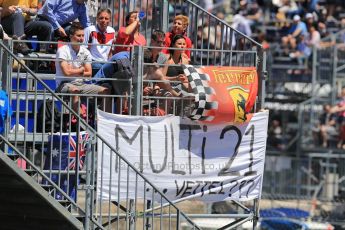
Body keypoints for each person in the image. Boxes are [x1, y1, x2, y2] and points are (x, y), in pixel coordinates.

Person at [55, 22, 109, 113]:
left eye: (83, 36)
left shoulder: (86, 52)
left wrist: (74, 70)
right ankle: (80, 120)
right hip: (64, 84)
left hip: (81, 84)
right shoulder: (63, 50)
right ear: (71, 36)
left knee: (106, 91)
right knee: (75, 90)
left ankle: (104, 119)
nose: (81, 38)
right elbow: (66, 73)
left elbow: (89, 74)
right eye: (78, 35)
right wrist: (80, 70)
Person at [83, 8, 115, 73]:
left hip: (105, 62)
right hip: (93, 61)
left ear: (110, 20)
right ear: (97, 19)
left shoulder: (112, 31)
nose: (104, 20)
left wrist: (110, 63)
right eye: (101, 18)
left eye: (106, 18)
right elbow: (84, 49)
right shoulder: (89, 30)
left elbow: (110, 51)